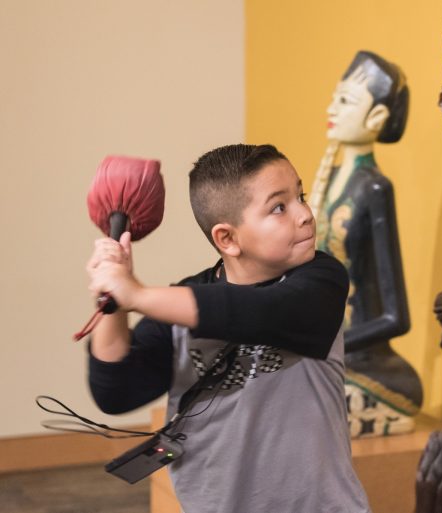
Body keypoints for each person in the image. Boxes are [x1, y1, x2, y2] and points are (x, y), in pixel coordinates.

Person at [86, 144, 371, 513]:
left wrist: (137, 294)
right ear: (228, 239)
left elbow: (261, 311)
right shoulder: (179, 306)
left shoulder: (321, 280)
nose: (305, 214)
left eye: (300, 196)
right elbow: (115, 392)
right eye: (279, 207)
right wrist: (115, 299)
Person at [308, 50, 423, 438]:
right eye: (334, 97)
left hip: (361, 360)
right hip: (322, 349)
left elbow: (396, 317)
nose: (332, 107)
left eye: (346, 101)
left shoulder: (374, 188)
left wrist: (329, 342)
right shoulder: (332, 180)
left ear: (376, 118)